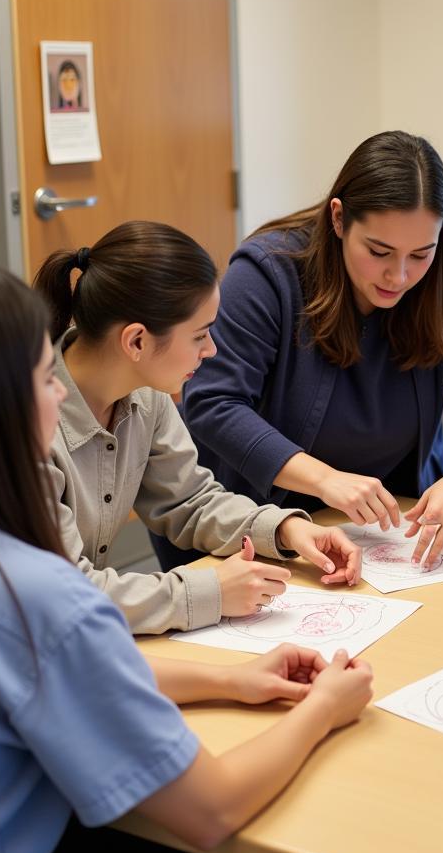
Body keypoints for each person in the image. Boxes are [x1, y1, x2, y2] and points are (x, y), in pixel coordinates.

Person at [0, 261, 374, 853]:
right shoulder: (31, 591)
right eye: (46, 376)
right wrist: (322, 709)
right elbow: (212, 809)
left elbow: (62, 666)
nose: (59, 392)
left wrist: (229, 680)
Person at [179, 130, 443, 570]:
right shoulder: (267, 274)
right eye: (379, 251)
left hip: (388, 531)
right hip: (266, 525)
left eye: (421, 254)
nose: (398, 276)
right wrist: (325, 480)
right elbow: (214, 403)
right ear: (339, 219)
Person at [33, 221, 361, 636]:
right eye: (200, 335)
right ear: (136, 342)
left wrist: (285, 529)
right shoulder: (31, 424)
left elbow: (189, 501)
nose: (212, 350)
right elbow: (65, 595)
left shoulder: (145, 395)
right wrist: (208, 593)